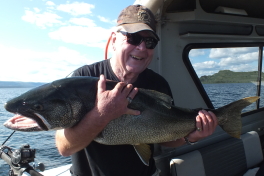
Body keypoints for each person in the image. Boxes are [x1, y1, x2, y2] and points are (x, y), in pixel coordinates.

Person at [55, 4, 218, 176]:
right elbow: (64, 148)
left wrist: (190, 137)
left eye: (149, 42)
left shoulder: (157, 84)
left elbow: (166, 137)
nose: (141, 47)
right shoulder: (84, 78)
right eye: (133, 38)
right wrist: (103, 113)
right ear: (114, 39)